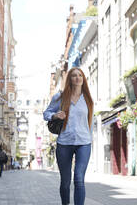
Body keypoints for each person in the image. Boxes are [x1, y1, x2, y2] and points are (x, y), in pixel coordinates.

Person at [43, 67, 94, 205]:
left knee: (79, 178)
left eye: (80, 76)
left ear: (83, 79)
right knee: (65, 182)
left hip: (84, 143)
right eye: (74, 76)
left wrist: (91, 141)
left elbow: (91, 123)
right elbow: (45, 114)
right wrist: (54, 115)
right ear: (69, 79)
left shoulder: (88, 99)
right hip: (64, 143)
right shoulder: (59, 97)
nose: (77, 78)